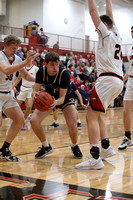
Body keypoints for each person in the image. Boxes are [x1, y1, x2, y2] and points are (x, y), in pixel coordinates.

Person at [76, 0, 123, 170]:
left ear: (103, 25)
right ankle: (106, 148)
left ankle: (94, 158)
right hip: (117, 81)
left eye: (98, 27)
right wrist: (108, 1)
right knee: (97, 114)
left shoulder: (105, 33)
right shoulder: (117, 34)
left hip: (107, 79)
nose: (96, 29)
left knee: (90, 116)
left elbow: (93, 11)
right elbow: (110, 15)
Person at [30, 51, 83, 159]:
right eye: (52, 65)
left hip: (65, 99)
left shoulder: (64, 73)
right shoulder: (41, 71)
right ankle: (46, 146)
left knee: (72, 125)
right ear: (46, 64)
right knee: (33, 121)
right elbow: (35, 89)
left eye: (57, 64)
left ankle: (74, 145)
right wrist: (34, 95)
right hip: (49, 98)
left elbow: (62, 98)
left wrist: (55, 102)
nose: (55, 67)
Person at [0, 34, 36, 161]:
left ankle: (5, 149)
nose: (15, 51)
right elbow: (6, 70)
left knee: (20, 120)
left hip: (8, 94)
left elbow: (26, 76)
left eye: (17, 48)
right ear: (5, 46)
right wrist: (26, 62)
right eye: (13, 48)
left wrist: (41, 81)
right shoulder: (0, 56)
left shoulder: (17, 58)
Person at [118, 26, 133, 150]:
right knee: (126, 111)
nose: (132, 34)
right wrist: (121, 80)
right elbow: (130, 70)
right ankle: (127, 138)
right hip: (131, 81)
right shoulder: (130, 50)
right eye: (131, 32)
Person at [13, 58, 39, 130]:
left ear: (32, 59)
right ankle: (17, 120)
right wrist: (13, 86)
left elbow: (39, 79)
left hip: (31, 89)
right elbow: (18, 79)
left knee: (29, 107)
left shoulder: (36, 68)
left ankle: (22, 122)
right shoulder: (23, 68)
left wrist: (36, 88)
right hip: (23, 89)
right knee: (16, 106)